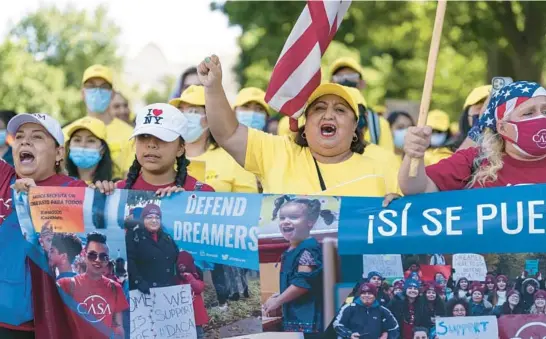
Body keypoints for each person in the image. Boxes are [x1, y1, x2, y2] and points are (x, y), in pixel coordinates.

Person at [198, 55, 399, 197]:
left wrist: (397, 208)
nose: (328, 115)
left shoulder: (381, 169)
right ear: (305, 121)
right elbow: (229, 134)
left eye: (340, 110)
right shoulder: (277, 153)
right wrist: (213, 87)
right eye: (319, 109)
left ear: (355, 126)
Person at [0, 113, 88, 338]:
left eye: (37, 137)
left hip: (52, 325)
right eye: (19, 137)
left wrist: (38, 198)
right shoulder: (3, 176)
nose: (25, 142)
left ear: (59, 153)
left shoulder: (77, 191)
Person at [399, 81, 546, 195]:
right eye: (528, 113)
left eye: (545, 110)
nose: (541, 117)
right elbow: (417, 189)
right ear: (502, 127)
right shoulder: (475, 160)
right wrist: (413, 154)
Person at [262, 196, 334, 334]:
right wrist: (279, 295)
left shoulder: (308, 249)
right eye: (282, 218)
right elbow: (295, 281)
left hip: (307, 318)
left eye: (294, 217)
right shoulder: (293, 249)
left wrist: (278, 302)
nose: (286, 222)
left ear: (310, 222)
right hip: (295, 315)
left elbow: (302, 284)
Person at [169, 85, 258, 193]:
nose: (185, 116)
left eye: (193, 111)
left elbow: (250, 204)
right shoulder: (165, 155)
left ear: (210, 116)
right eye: (181, 110)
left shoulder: (235, 158)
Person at [62, 64, 134, 180]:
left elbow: (129, 180)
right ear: (82, 93)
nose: (97, 91)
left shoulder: (131, 135)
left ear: (113, 94)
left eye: (104, 87)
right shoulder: (65, 133)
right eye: (91, 86)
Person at [57, 232, 128, 338]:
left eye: (103, 257)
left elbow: (118, 326)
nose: (98, 260)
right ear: (84, 255)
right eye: (92, 255)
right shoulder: (65, 284)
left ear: (107, 260)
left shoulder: (115, 288)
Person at [329, 57, 394, 151]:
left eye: (351, 77)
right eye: (339, 77)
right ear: (331, 82)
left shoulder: (379, 123)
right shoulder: (321, 119)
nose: (345, 80)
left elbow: (388, 159)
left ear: (362, 83)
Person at [126, 203, 179, 293]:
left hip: (167, 291)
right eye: (149, 217)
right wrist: (138, 281)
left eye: (157, 217)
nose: (154, 220)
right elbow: (129, 261)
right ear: (143, 219)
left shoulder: (167, 238)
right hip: (144, 292)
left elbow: (176, 258)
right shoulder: (134, 237)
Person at [333, 283, 399, 339]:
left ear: (375, 296)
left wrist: (387, 335)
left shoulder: (383, 310)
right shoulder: (349, 308)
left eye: (370, 293)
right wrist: (349, 334)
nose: (366, 295)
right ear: (360, 295)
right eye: (364, 293)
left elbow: (395, 328)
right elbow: (337, 324)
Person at [64, 117, 113, 183]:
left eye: (91, 141)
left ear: (103, 149)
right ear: (69, 145)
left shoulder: (113, 187)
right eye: (77, 140)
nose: (83, 145)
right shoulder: (59, 185)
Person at [176, 251, 208, 339]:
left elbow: (198, 288)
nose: (182, 268)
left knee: (199, 334)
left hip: (195, 313)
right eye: (180, 265)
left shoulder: (196, 274)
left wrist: (190, 278)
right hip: (182, 314)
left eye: (184, 265)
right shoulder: (176, 278)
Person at [450, 85, 491, 149]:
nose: (484, 113)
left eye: (490, 109)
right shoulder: (446, 152)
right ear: (466, 116)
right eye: (479, 108)